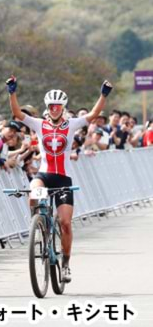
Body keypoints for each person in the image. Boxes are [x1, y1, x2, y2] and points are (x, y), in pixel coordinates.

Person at [6, 75, 113, 283]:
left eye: (58, 106)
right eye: (51, 106)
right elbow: (17, 113)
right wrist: (12, 92)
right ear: (47, 107)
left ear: (63, 107)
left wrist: (103, 95)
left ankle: (65, 264)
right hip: (44, 174)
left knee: (65, 223)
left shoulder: (71, 125)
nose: (54, 109)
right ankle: (37, 227)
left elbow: (93, 114)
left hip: (63, 178)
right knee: (34, 193)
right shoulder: (38, 124)